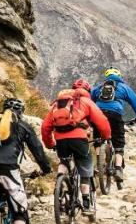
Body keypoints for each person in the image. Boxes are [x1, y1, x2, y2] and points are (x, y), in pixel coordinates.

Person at [41, 79, 110, 212]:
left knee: (64, 160)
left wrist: (50, 144)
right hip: (79, 139)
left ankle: (59, 187)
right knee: (85, 165)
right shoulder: (85, 101)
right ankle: (86, 202)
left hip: (60, 140)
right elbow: (102, 120)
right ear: (88, 92)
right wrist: (106, 136)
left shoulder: (58, 104)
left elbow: (45, 127)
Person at [93, 68, 136, 183]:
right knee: (119, 141)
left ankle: (98, 165)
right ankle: (118, 169)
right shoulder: (124, 87)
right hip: (115, 115)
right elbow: (135, 104)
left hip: (98, 114)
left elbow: (90, 102)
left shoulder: (99, 88)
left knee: (97, 138)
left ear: (107, 77)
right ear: (119, 76)